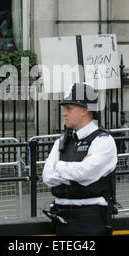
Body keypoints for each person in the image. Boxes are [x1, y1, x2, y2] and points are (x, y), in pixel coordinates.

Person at [42, 82, 118, 236]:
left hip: (88, 221)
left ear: (85, 110)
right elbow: (47, 176)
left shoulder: (103, 141)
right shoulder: (61, 141)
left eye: (69, 108)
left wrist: (58, 166)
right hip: (60, 220)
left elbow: (84, 173)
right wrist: (75, 173)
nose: (64, 113)